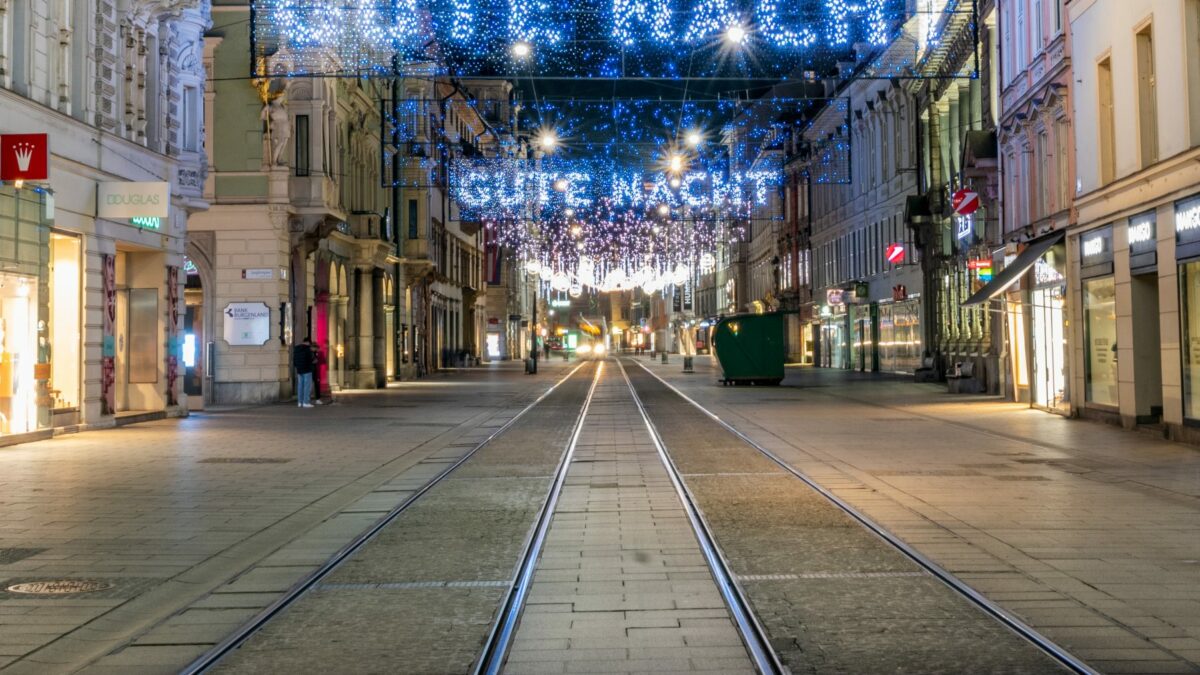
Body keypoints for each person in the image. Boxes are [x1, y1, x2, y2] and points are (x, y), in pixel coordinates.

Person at [293, 338, 315, 408]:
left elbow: (294, 359)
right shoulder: (308, 349)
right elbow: (311, 359)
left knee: (300, 386)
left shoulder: (296, 349)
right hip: (307, 370)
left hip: (299, 370)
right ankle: (306, 402)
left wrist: (297, 366)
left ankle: (300, 402)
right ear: (308, 342)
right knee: (307, 386)